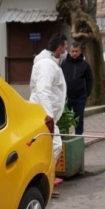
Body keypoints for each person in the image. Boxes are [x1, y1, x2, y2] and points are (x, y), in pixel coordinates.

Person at [30, 33, 68, 196]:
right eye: (65, 48)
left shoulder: (49, 63)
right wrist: (49, 117)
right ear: (59, 48)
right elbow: (43, 91)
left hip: (44, 115)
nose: (66, 52)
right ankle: (41, 181)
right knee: (54, 146)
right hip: (43, 116)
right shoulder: (46, 65)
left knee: (46, 147)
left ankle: (43, 179)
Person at [61, 41, 93, 135]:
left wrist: (87, 93)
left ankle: (78, 137)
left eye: (76, 51)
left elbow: (89, 79)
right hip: (66, 97)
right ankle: (64, 136)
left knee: (79, 119)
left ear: (80, 52)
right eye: (73, 51)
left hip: (80, 97)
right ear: (69, 52)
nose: (74, 53)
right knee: (64, 118)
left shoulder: (85, 65)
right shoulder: (64, 64)